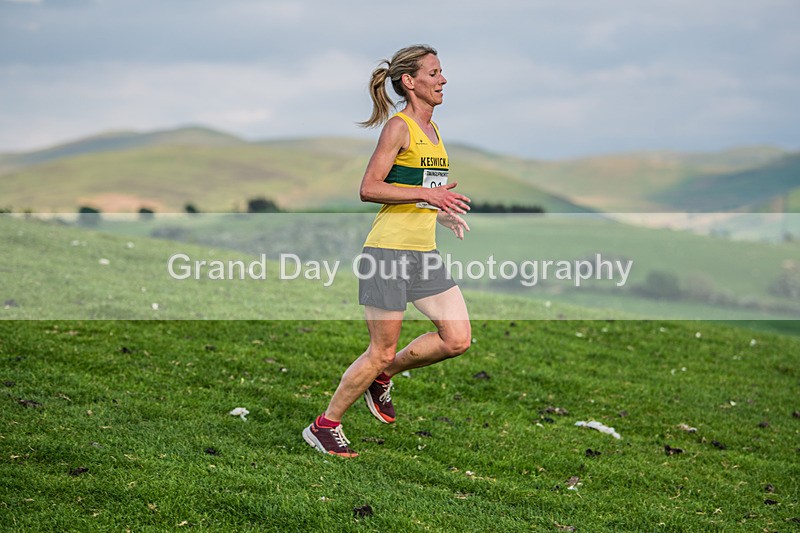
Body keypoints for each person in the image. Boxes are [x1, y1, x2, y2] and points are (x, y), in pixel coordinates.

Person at [303, 45, 472, 457]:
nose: (443, 80)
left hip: (422, 252)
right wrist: (426, 197)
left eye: (442, 72)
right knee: (379, 350)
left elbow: (418, 194)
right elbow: (370, 188)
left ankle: (384, 377)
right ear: (410, 82)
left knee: (457, 339)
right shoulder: (398, 128)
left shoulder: (434, 132)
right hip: (388, 254)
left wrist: (438, 210)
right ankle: (324, 425)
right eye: (434, 73)